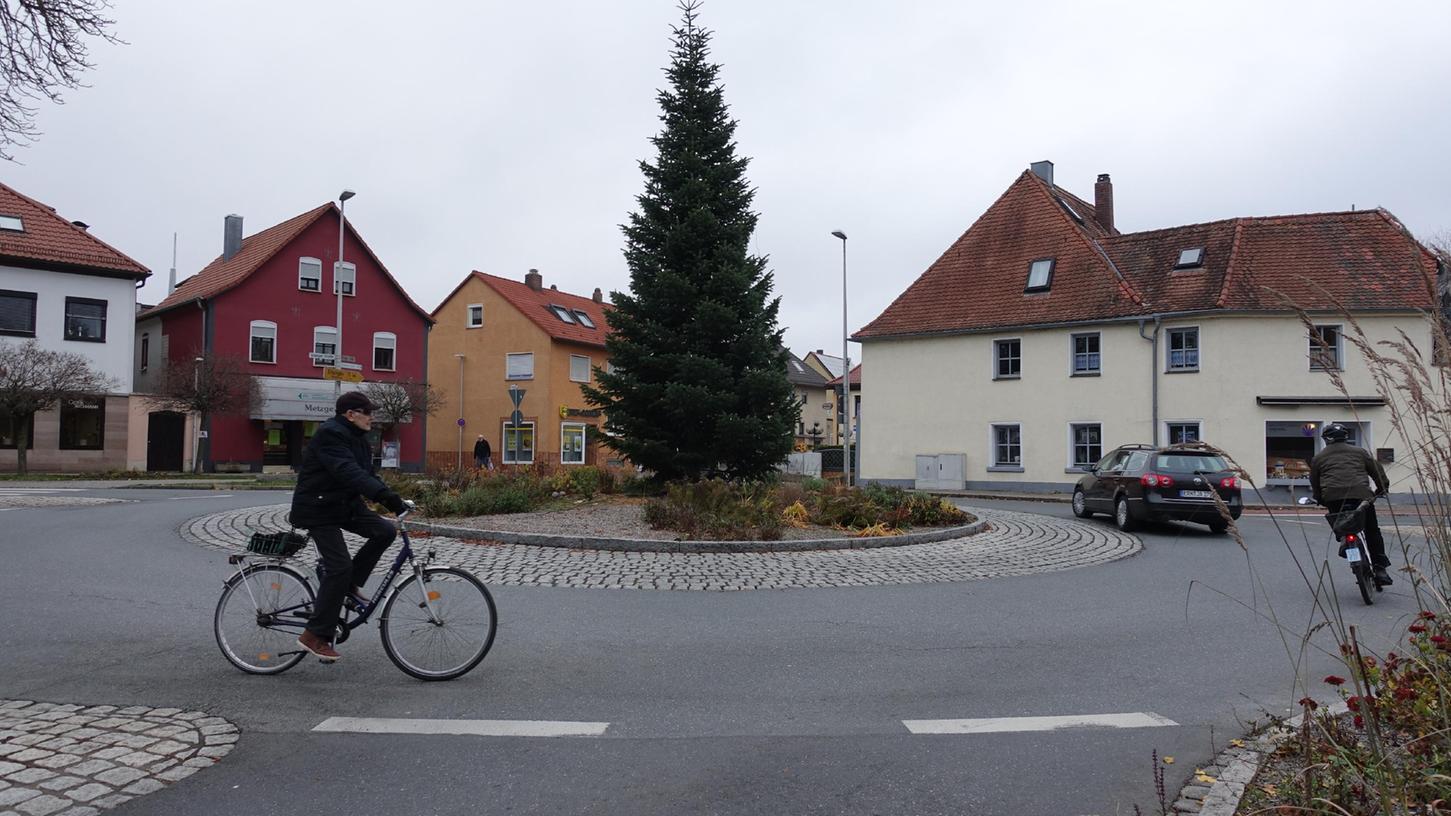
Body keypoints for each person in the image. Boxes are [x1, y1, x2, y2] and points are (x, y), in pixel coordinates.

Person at [289, 391, 409, 661]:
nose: (372, 417)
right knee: (339, 566)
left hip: (343, 505)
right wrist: (385, 497)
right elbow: (347, 471)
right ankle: (314, 635)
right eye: (367, 413)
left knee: (384, 531)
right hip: (318, 508)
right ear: (350, 414)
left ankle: (349, 585)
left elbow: (366, 474)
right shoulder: (330, 434)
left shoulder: (358, 440)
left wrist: (393, 497)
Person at [1310, 422, 1393, 585]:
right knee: (1372, 530)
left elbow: (1315, 482)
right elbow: (1377, 471)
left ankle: (1344, 541)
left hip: (1333, 497)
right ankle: (1380, 568)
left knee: (1341, 525)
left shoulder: (1318, 458)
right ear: (1346, 437)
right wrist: (1382, 489)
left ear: (1326, 439)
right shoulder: (1360, 452)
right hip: (1361, 496)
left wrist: (1320, 498)